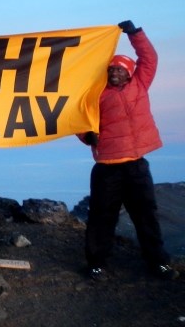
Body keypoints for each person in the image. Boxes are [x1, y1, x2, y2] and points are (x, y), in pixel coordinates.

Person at [78, 20, 179, 282]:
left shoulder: (140, 84)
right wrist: (86, 135)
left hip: (136, 164)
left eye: (119, 70)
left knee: (146, 216)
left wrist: (136, 33)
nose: (113, 73)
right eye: (111, 69)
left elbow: (149, 57)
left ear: (129, 73)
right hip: (107, 168)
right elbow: (79, 117)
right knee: (102, 217)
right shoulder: (97, 94)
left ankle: (158, 263)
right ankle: (96, 264)